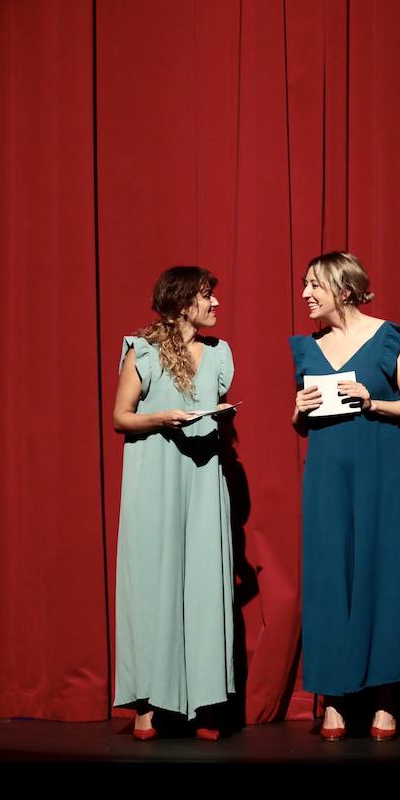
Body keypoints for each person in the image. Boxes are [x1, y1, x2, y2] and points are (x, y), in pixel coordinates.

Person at [290, 252, 400, 741]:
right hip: (327, 471)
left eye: (314, 285)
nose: (305, 294)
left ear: (344, 290)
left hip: (380, 467)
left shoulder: (389, 337)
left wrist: (372, 400)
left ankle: (386, 699)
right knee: (331, 575)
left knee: (382, 571)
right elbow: (301, 424)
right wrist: (299, 409)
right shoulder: (308, 348)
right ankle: (338, 697)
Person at [112, 266, 235, 740]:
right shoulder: (142, 349)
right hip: (154, 479)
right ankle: (148, 705)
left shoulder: (220, 353)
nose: (216, 305)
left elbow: (210, 400)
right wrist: (162, 417)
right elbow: (121, 417)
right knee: (153, 586)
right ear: (184, 302)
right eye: (208, 297)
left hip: (203, 477)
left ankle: (205, 705)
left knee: (204, 587)